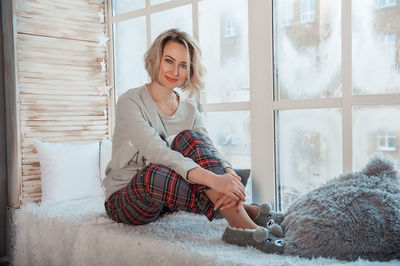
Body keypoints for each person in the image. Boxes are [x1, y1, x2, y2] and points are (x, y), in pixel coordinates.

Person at [102, 28, 284, 253]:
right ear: (156, 60)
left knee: (190, 138)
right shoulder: (130, 101)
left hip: (168, 200)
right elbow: (158, 151)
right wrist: (215, 181)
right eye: (169, 61)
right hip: (127, 197)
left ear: (190, 70)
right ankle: (248, 218)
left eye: (183, 65)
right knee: (155, 171)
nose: (175, 71)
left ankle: (240, 221)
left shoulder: (189, 109)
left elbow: (207, 146)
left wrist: (227, 171)